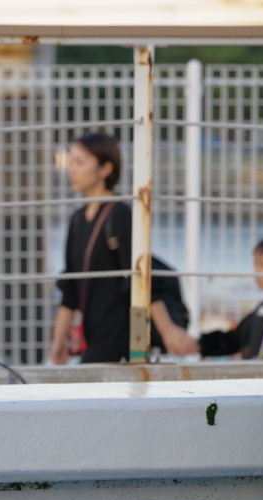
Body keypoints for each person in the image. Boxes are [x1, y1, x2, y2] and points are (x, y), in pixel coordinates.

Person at [50, 133, 198, 364]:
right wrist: (59, 341)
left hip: (119, 339)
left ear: (105, 169)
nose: (72, 170)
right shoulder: (78, 220)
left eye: (80, 162)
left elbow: (141, 277)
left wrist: (168, 330)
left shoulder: (120, 215)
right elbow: (70, 282)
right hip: (94, 337)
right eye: (71, 162)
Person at [199, 236, 263, 359]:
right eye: (255, 265)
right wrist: (200, 344)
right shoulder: (262, 307)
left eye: (262, 265)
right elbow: (236, 339)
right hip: (258, 375)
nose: (256, 271)